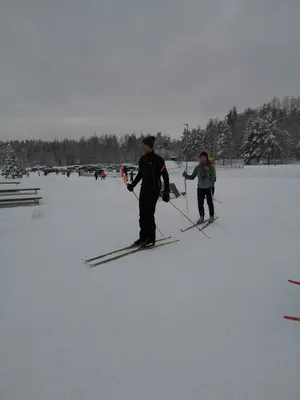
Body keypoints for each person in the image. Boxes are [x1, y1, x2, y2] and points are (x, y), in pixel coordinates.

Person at [127, 136, 170, 247]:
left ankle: (151, 239)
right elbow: (140, 174)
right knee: (142, 214)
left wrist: (166, 192)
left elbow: (165, 176)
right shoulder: (142, 159)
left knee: (149, 215)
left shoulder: (158, 160)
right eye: (142, 146)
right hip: (144, 189)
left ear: (150, 147)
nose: (142, 148)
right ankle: (143, 237)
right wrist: (133, 184)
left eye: (144, 146)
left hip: (154, 190)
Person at [183, 151, 216, 224]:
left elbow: (214, 178)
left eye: (204, 157)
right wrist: (186, 176)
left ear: (206, 158)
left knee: (209, 203)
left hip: (208, 188)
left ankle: (211, 216)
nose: (202, 159)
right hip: (200, 188)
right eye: (201, 157)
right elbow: (192, 177)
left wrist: (209, 176)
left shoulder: (210, 166)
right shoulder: (197, 168)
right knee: (200, 203)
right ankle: (201, 216)